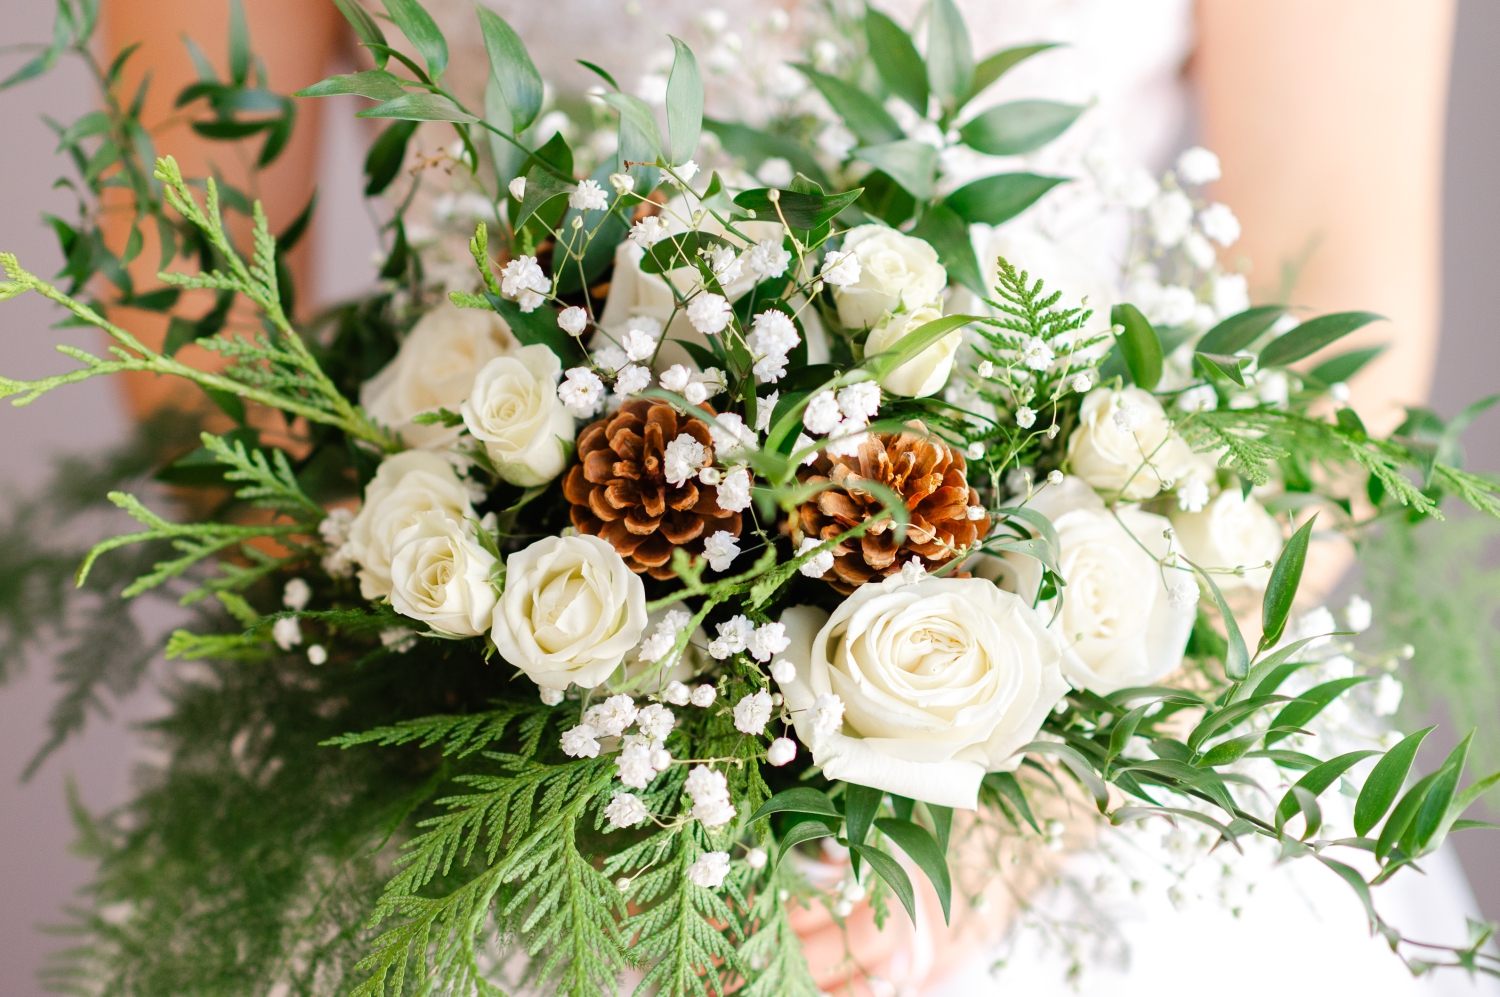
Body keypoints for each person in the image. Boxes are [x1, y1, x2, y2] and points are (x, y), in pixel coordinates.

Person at [95, 1, 1473, 993]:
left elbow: (1337, 310)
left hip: (1081, 769)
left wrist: (1031, 794)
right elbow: (189, 291)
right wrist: (454, 638)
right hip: (479, 771)